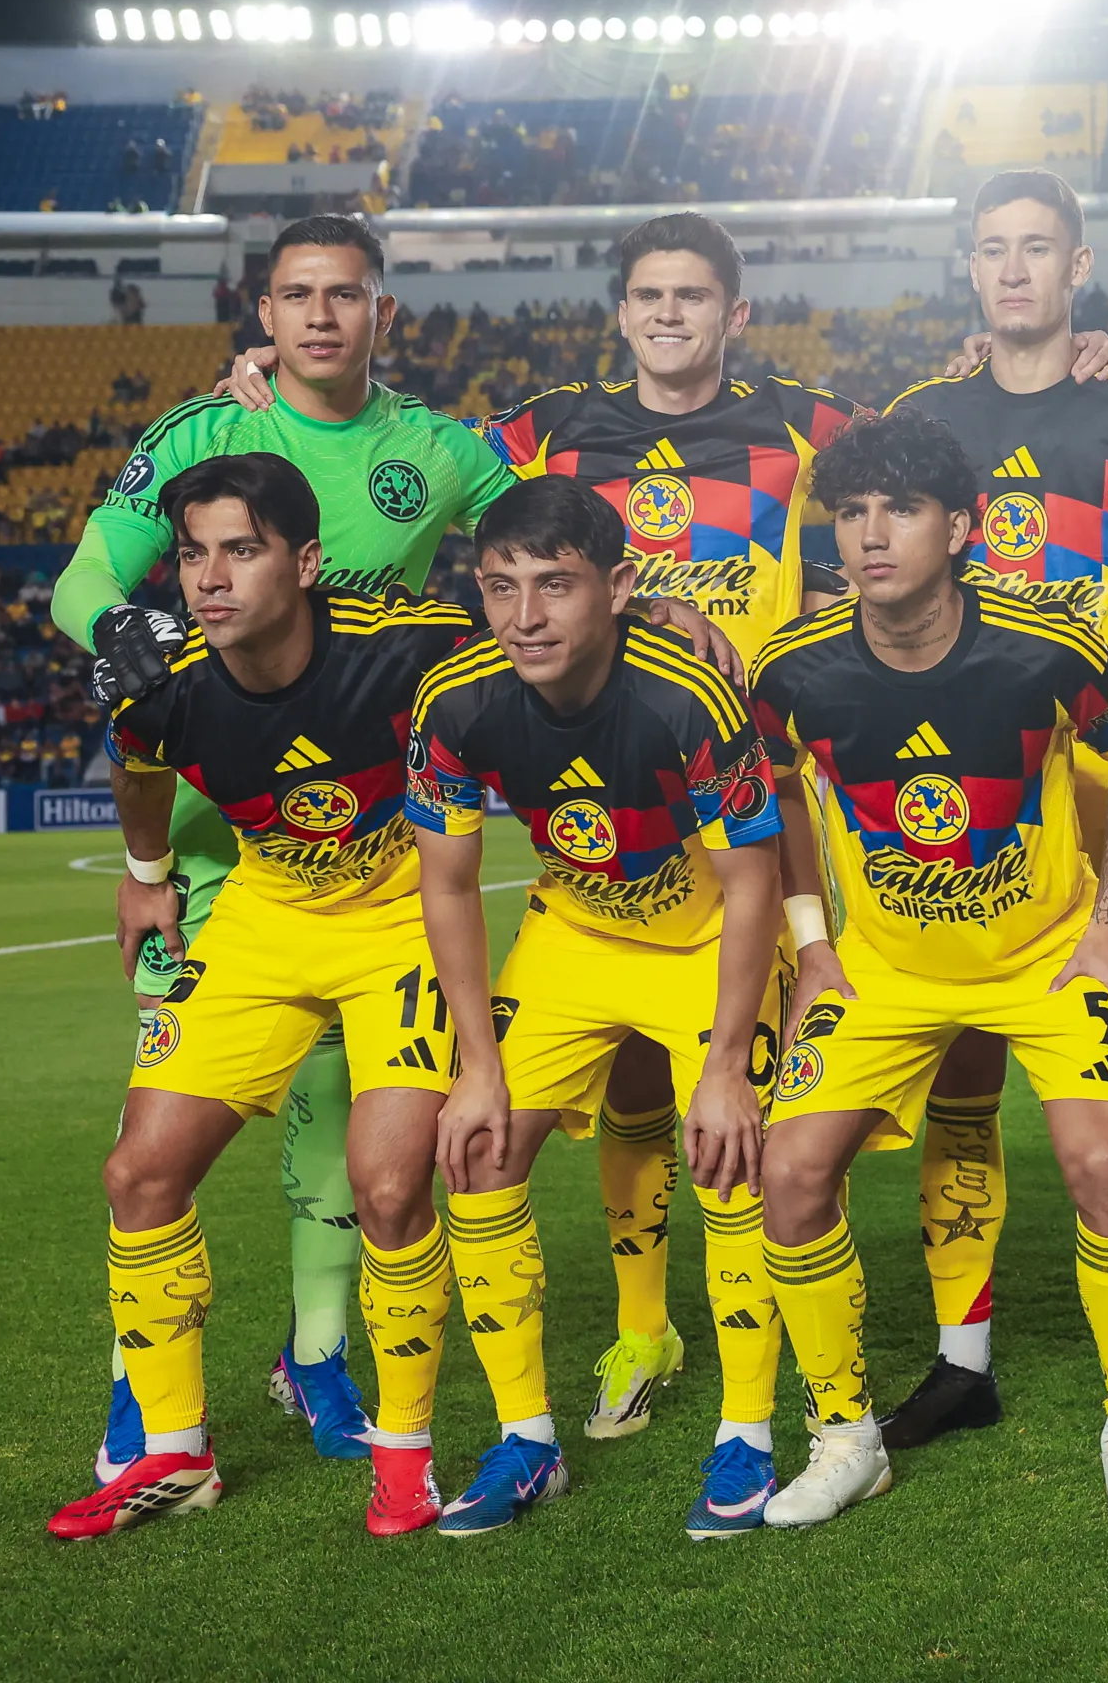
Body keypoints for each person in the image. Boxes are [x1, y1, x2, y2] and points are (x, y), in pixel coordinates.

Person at [223, 211, 825, 1458]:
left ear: (735, 312)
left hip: (754, 792)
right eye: (647, 294)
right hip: (591, 822)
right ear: (619, 311)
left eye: (692, 295)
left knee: (749, 1122)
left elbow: (953, 461)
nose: (668, 314)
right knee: (615, 1096)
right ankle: (640, 1336)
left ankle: (787, 1393)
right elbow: (387, 428)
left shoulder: (813, 422)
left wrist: (1061, 349)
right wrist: (266, 396)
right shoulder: (541, 430)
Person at [53, 213, 522, 1484]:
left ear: (385, 310)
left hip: (370, 844)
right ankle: (139, 1400)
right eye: (294, 296)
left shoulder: (435, 448)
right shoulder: (209, 431)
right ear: (262, 313)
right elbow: (84, 581)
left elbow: (543, 528)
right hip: (217, 849)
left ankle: (318, 1351)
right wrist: (131, 655)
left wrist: (654, 594)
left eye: (345, 295)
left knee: (340, 1124)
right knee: (163, 1122)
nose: (319, 317)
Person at [747, 410, 1108, 1531]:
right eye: (850, 514)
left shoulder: (1048, 646)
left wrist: (1105, 927)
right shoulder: (794, 666)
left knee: (1100, 1160)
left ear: (964, 527)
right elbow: (779, 792)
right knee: (788, 1176)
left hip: (1042, 958)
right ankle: (845, 1438)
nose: (872, 535)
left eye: (900, 511)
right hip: (884, 970)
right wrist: (814, 943)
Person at [880, 169, 1108, 1453]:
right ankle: (965, 1357)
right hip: (957, 807)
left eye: (1037, 249)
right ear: (971, 269)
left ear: (1081, 265)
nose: (1013, 270)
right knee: (962, 1074)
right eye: (992, 249)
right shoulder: (923, 414)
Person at [408, 475, 789, 1536]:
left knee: (729, 1151)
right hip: (577, 927)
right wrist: (476, 1064)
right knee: (479, 1148)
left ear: (619, 586)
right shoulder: (457, 700)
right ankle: (527, 1439)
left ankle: (747, 1434)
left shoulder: (690, 694)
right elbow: (445, 883)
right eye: (500, 587)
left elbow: (753, 880)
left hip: (706, 930)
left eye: (555, 586)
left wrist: (721, 1070)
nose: (524, 616)